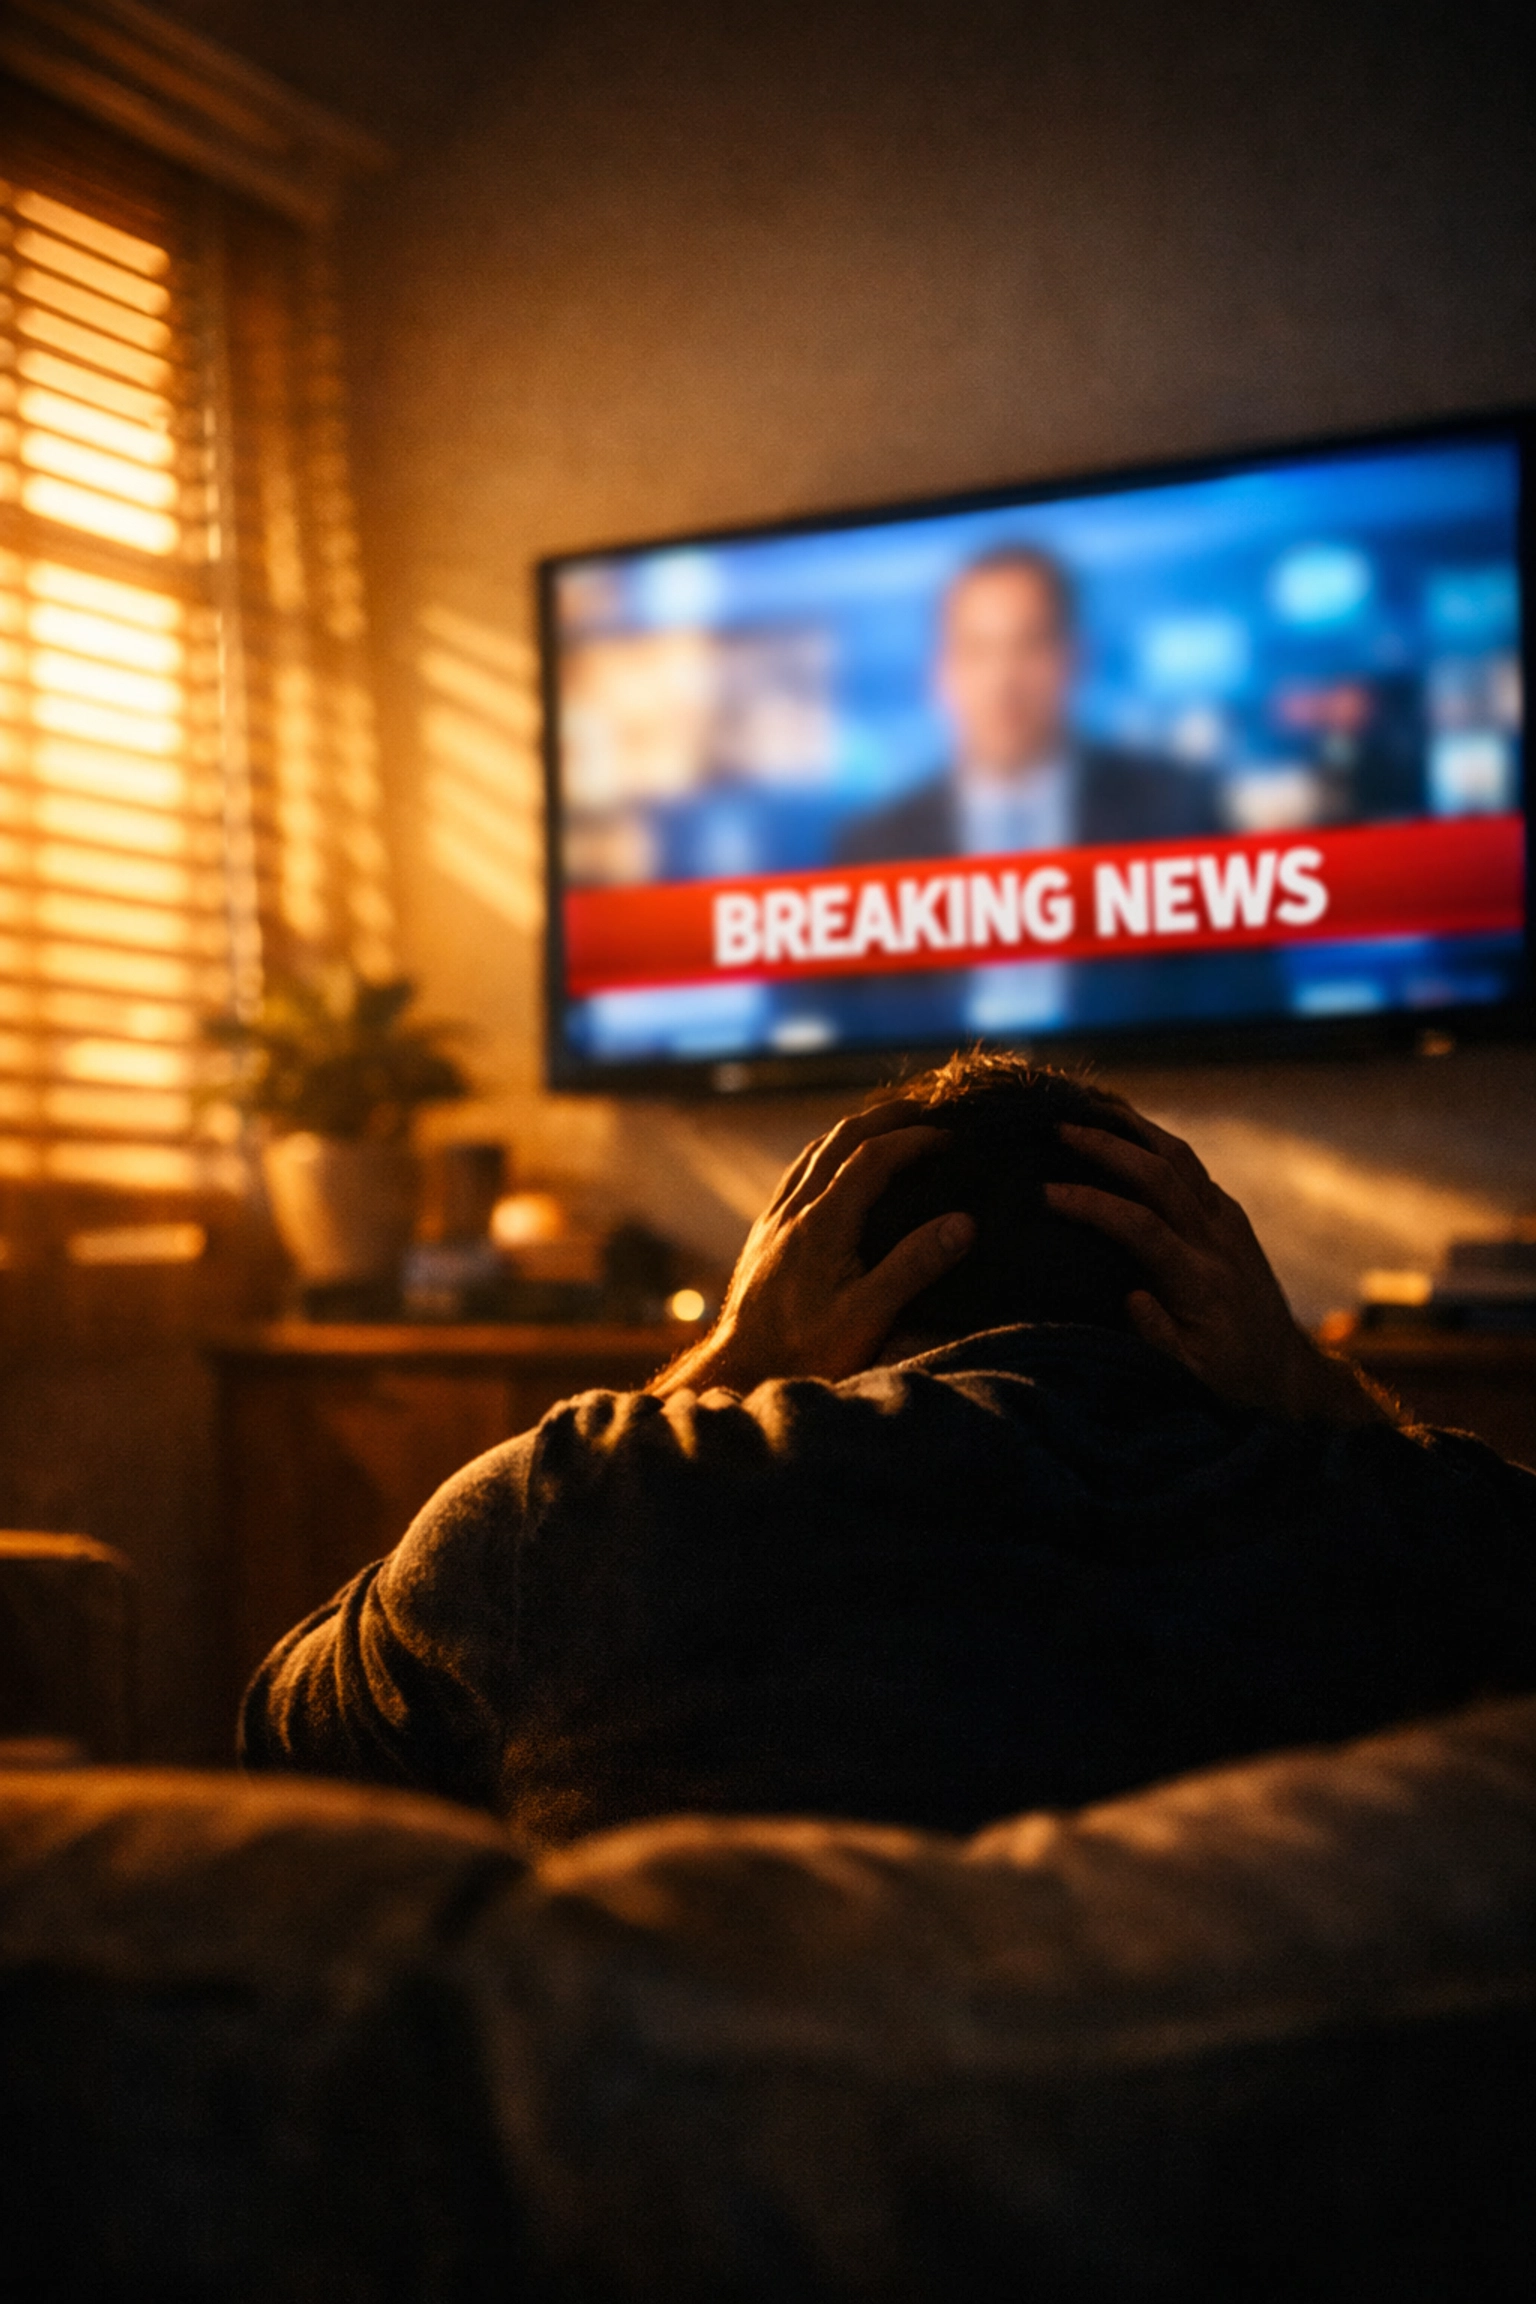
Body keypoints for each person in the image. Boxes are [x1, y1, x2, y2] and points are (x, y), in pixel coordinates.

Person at [241, 1055, 1536, 1842]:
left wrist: (721, 1371)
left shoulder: (582, 1503)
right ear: (1209, 1295)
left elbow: (282, 1732)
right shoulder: (1439, 1529)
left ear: (819, 1284)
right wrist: (1309, 1378)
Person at [837, 545, 1218, 867]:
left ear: (1074, 660)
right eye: (976, 651)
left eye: (1029, 646)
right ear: (939, 674)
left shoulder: (1176, 812)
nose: (1003, 680)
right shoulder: (873, 849)